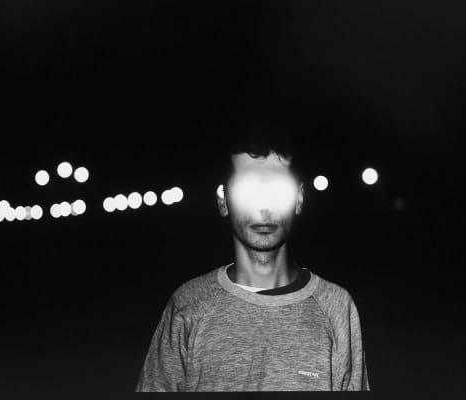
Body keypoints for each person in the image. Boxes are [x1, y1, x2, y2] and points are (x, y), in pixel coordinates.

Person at [135, 119, 370, 391]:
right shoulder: (188, 306)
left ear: (299, 198)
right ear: (223, 199)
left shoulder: (336, 308)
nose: (264, 207)